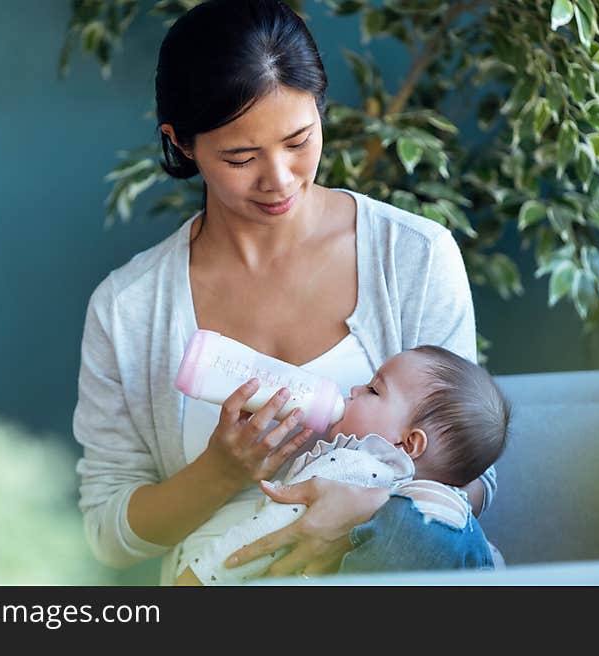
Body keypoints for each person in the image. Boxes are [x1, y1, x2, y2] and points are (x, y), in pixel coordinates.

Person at [72, 0, 499, 585]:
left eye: (298, 141)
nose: (279, 179)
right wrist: (221, 472)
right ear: (182, 142)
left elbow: (471, 470)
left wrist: (374, 510)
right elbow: (107, 534)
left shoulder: (414, 257)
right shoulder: (128, 312)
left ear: (322, 109)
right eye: (241, 157)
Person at [175, 345, 510, 585]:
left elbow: (263, 534)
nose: (354, 389)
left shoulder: (354, 466)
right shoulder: (421, 500)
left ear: (408, 443)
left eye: (373, 390)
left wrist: (196, 579)